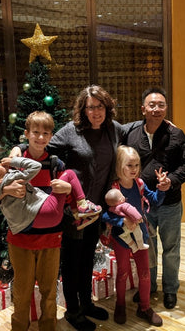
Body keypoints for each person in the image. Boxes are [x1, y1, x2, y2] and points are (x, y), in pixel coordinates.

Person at [0, 111, 101, 331]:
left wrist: (69, 189)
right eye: (36, 133)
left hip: (51, 239)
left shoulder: (55, 163)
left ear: (51, 136)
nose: (41, 138)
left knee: (49, 292)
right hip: (20, 241)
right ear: (27, 134)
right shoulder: (13, 162)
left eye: (46, 133)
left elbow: (70, 198)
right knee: (22, 293)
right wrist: (4, 190)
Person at [47, 85, 124, 331]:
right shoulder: (71, 131)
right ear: (83, 109)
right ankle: (72, 311)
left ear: (106, 107)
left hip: (96, 210)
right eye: (90, 107)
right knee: (72, 262)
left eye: (99, 106)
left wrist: (166, 125)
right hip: (74, 212)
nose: (95, 112)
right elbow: (44, 151)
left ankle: (86, 304)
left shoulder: (113, 130)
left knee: (88, 258)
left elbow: (137, 130)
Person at [124, 86, 185, 310]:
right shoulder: (132, 133)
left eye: (161, 105)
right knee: (147, 246)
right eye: (152, 105)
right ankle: (149, 286)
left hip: (170, 202)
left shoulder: (176, 134)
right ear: (143, 108)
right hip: (142, 203)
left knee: (171, 247)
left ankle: (170, 288)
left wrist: (171, 181)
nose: (157, 109)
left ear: (166, 108)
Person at [101, 145, 167, 326]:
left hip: (141, 236)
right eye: (129, 165)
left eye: (137, 165)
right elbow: (104, 214)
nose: (134, 169)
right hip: (121, 238)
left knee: (145, 273)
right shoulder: (113, 188)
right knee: (122, 273)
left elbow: (155, 201)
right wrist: (121, 222)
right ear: (119, 166)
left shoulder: (139, 184)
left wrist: (161, 188)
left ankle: (144, 307)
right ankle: (120, 304)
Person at [0, 157, 101, 234]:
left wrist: (3, 191)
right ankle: (83, 205)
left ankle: (79, 215)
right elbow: (36, 166)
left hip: (31, 223)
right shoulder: (11, 178)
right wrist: (14, 161)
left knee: (62, 184)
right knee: (69, 173)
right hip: (46, 212)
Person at [104, 188, 149, 253]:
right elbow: (132, 211)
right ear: (121, 199)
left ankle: (133, 247)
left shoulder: (111, 209)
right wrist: (139, 218)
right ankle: (140, 245)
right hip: (132, 225)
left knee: (125, 237)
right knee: (138, 232)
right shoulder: (124, 205)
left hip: (122, 228)